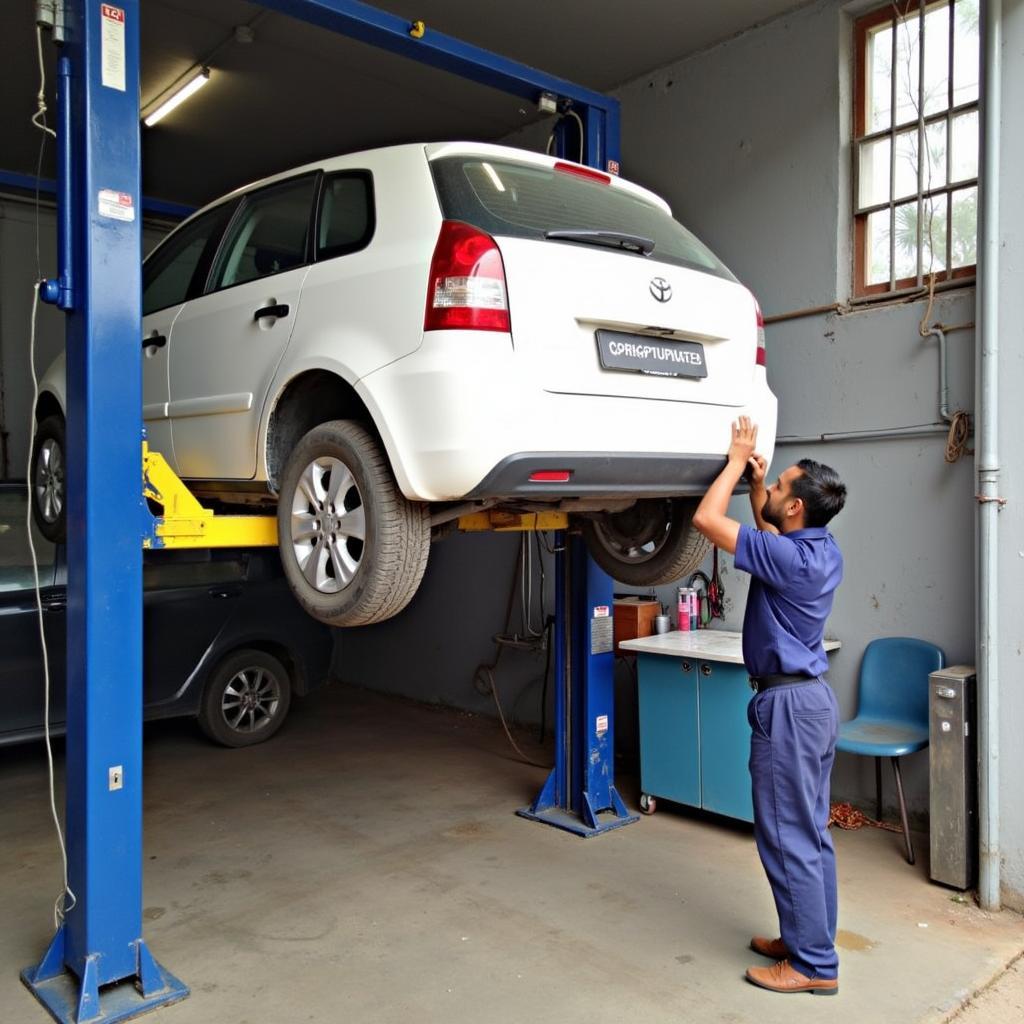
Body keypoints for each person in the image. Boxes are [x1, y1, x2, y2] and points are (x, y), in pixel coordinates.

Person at [691, 416, 847, 996]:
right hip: (811, 703)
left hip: (788, 709)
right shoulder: (820, 550)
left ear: (798, 509)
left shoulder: (792, 557)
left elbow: (707, 521)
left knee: (787, 835)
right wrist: (760, 490)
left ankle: (813, 966)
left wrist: (735, 461)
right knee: (810, 833)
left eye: (782, 486)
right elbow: (771, 533)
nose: (774, 488)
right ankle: (805, 937)